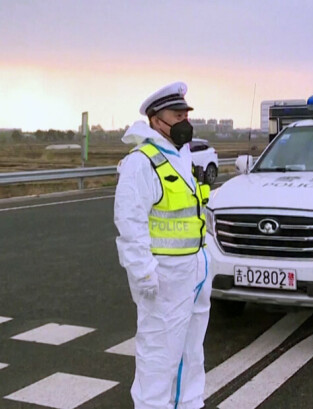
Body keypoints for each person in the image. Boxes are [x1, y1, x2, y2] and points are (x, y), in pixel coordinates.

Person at [114, 81, 212, 409]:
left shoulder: (180, 155)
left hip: (193, 270)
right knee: (158, 358)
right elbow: (130, 224)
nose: (185, 120)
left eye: (186, 113)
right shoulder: (142, 162)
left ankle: (190, 404)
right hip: (164, 275)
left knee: (190, 353)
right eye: (177, 114)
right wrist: (143, 274)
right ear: (157, 120)